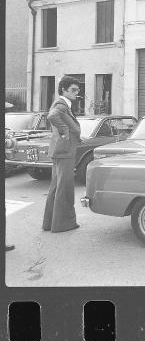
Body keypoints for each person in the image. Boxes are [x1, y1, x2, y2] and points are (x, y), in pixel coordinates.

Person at [42, 76, 82, 232]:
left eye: (78, 90)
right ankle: (63, 224)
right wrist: (65, 132)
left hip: (60, 150)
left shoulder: (64, 104)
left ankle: (50, 224)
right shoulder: (61, 103)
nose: (76, 92)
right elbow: (52, 116)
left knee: (56, 188)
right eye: (73, 89)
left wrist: (75, 135)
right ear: (63, 90)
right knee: (64, 188)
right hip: (64, 151)